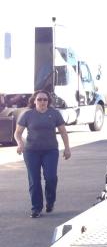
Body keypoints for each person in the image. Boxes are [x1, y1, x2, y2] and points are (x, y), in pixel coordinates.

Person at [14, 90, 71, 218]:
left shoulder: (54, 114)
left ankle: (50, 201)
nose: (42, 102)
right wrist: (20, 143)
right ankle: (36, 208)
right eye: (39, 99)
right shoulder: (27, 114)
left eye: (45, 99)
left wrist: (67, 148)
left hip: (50, 151)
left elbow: (63, 132)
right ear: (34, 101)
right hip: (31, 151)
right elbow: (17, 133)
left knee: (51, 178)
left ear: (48, 101)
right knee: (34, 180)